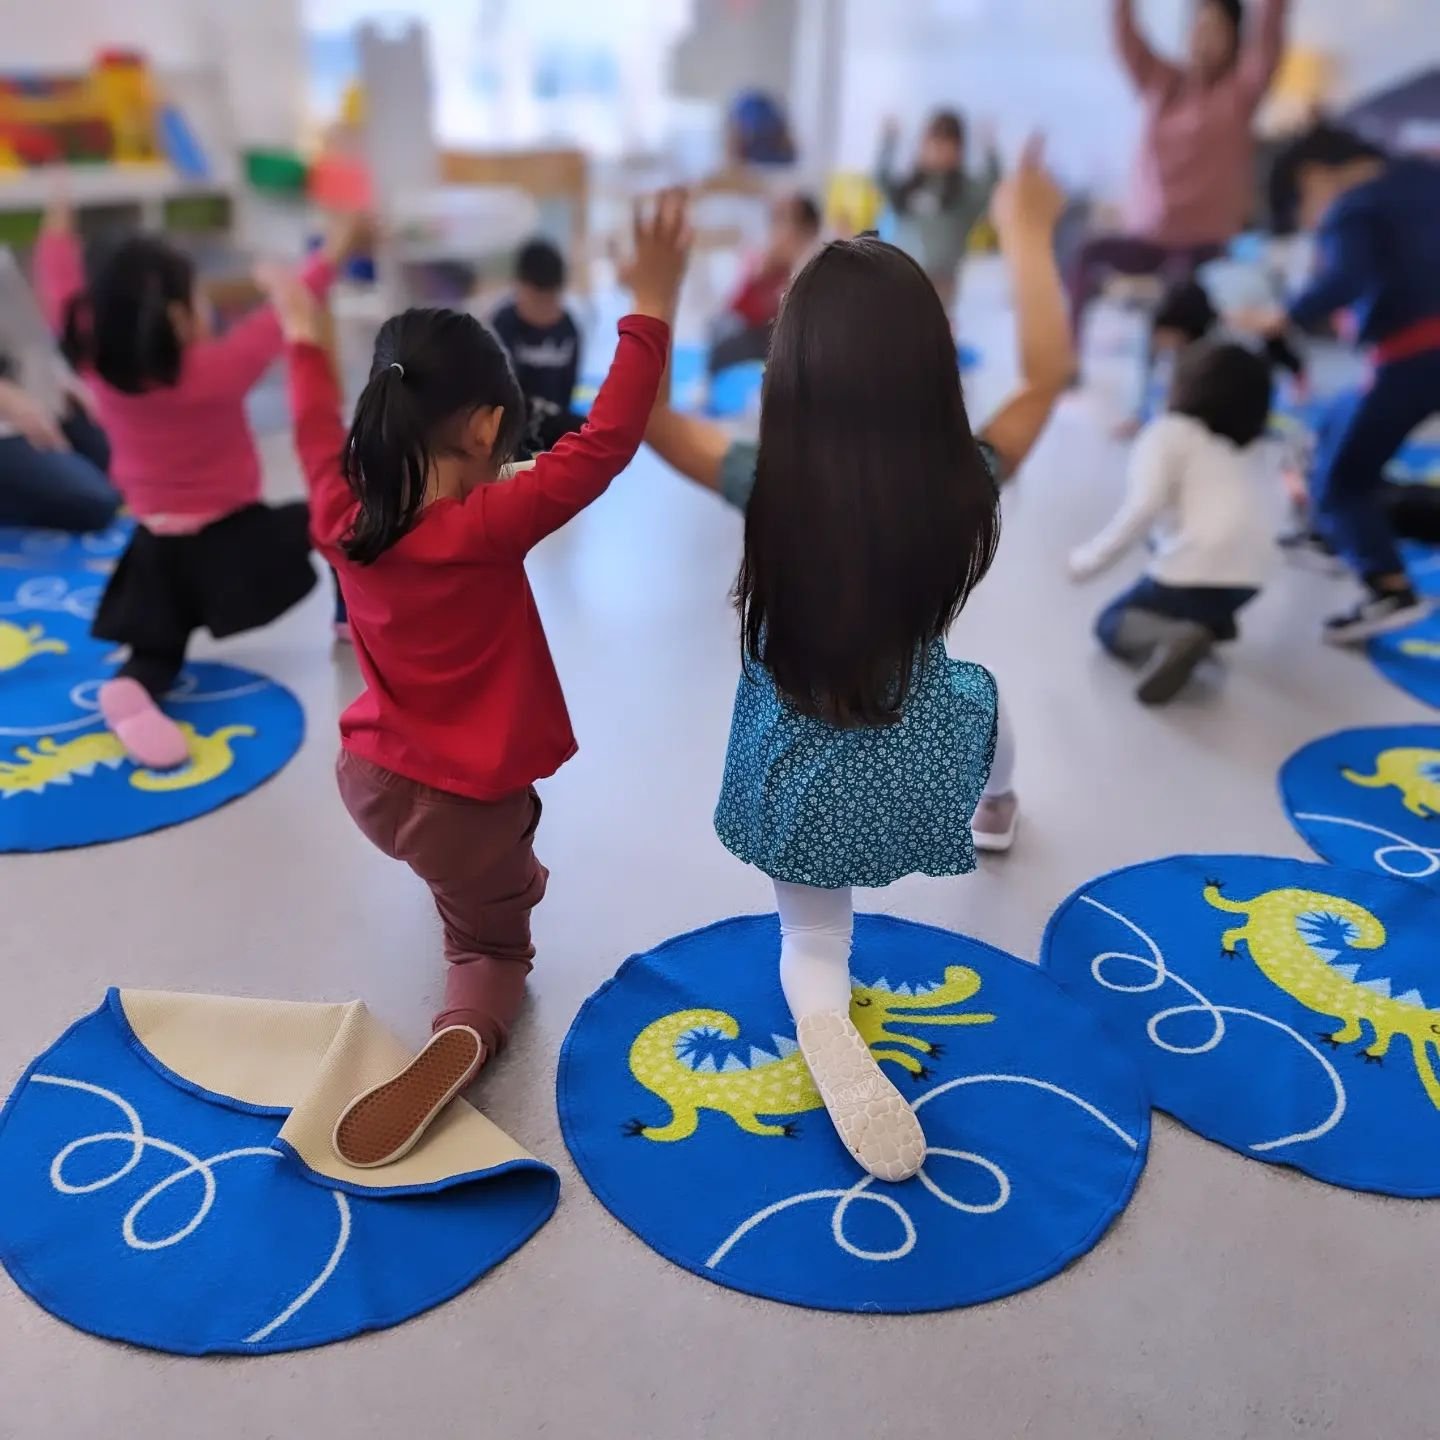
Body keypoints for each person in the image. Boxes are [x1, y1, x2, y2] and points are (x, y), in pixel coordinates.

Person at [639, 144, 1072, 1183]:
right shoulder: (965, 479)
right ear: (933, 369)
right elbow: (1049, 375)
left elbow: (649, 422)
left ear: (792, 374)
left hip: (799, 788)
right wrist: (1024, 235)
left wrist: (653, 294)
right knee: (982, 696)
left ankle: (822, 1013)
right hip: (925, 763)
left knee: (814, 943)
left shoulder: (768, 483)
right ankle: (999, 806)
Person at [271, 192, 689, 1169]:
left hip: (372, 781)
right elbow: (607, 442)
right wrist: (652, 308)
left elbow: (305, 423)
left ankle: (466, 891)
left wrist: (301, 335)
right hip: (466, 803)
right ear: (486, 428)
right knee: (497, 937)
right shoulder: (485, 531)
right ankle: (467, 1027)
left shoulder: (341, 511)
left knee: (466, 865)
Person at [33, 194, 358, 768]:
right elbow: (291, 310)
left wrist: (57, 227)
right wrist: (332, 249)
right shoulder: (215, 370)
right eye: (198, 297)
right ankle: (347, 616)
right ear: (179, 318)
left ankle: (133, 689)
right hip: (232, 543)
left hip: (155, 549)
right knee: (337, 513)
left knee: (156, 652)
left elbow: (60, 293)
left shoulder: (94, 357)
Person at [1234, 123, 1440, 643]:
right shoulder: (1424, 176)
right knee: (1333, 421)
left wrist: (1283, 316)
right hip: (1415, 357)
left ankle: (1388, 587)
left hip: (1413, 356)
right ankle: (1330, 534)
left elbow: (1344, 279)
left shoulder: (1353, 207)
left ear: (1313, 177)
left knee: (1341, 477)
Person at [1068, 0, 1291, 349]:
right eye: (1199, 27)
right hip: (1147, 243)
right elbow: (1127, 38)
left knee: (1181, 299)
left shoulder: (1240, 91)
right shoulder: (1163, 82)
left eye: (1216, 29)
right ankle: (1069, 359)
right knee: (1087, 254)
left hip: (1205, 249)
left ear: (1235, 39)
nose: (1204, 37)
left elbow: (1269, 33)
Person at [1069, 341, 1274, 704]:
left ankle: (1173, 636)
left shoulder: (1167, 431)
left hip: (1196, 570)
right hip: (1252, 577)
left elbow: (1144, 506)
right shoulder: (1240, 447)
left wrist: (1089, 559)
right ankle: (1212, 622)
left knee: (1111, 622)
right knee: (1193, 582)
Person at [876, 109, 1001, 314]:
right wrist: (889, 141)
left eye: (945, 142)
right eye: (931, 140)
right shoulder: (908, 188)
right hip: (899, 280)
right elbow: (880, 179)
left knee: (927, 338)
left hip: (940, 287)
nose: (936, 148)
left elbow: (991, 185)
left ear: (958, 151)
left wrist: (990, 148)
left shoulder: (964, 194)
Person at [706, 192, 821, 376]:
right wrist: (761, 276)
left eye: (784, 220)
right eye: (774, 220)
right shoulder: (768, 263)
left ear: (807, 230)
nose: (775, 230)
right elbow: (737, 308)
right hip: (765, 341)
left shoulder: (814, 265)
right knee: (721, 327)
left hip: (798, 349)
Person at [489, 238, 584, 455]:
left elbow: (567, 390)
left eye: (550, 301)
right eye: (536, 301)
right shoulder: (502, 326)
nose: (544, 311)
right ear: (519, 288)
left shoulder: (568, 330)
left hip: (551, 427)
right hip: (509, 427)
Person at [0, 368, 118, 532]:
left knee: (117, 474)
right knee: (91, 504)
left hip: (41, 396)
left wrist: (60, 375)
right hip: (10, 419)